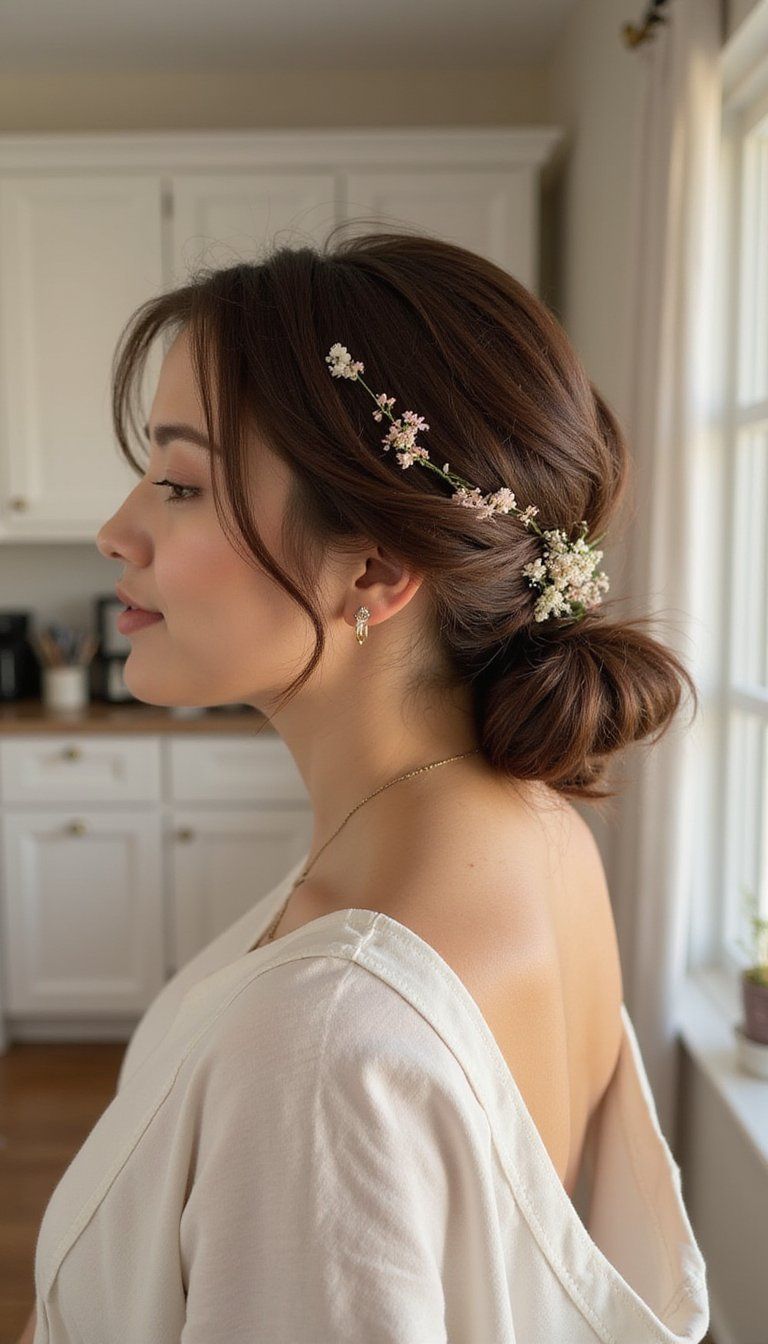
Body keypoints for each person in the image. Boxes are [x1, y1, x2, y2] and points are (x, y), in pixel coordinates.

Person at [22, 227, 708, 1342]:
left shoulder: (325, 1042)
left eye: (181, 484)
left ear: (377, 569)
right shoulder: (526, 821)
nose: (115, 532)